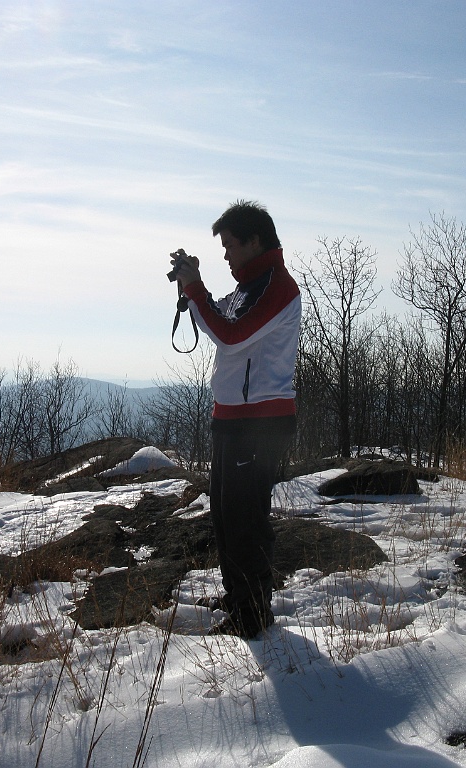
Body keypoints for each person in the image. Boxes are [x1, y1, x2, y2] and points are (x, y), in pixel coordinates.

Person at [169, 200, 301, 639]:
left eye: (229, 245)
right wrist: (193, 286)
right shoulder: (250, 287)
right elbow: (219, 319)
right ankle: (239, 596)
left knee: (246, 519)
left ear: (254, 241)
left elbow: (229, 335)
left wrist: (196, 289)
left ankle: (253, 612)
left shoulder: (277, 288)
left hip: (259, 423)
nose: (225, 255)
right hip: (232, 419)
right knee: (226, 515)